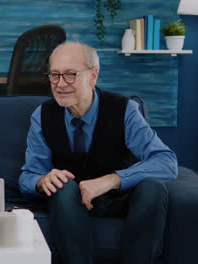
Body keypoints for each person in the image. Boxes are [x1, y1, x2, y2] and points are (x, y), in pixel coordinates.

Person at [18, 41, 177, 264]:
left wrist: (111, 180)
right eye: (54, 75)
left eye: (70, 74)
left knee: (153, 187)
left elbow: (166, 161)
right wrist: (42, 180)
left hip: (119, 198)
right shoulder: (42, 115)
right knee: (62, 186)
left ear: (93, 75)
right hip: (70, 204)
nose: (60, 84)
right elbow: (28, 176)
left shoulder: (124, 110)